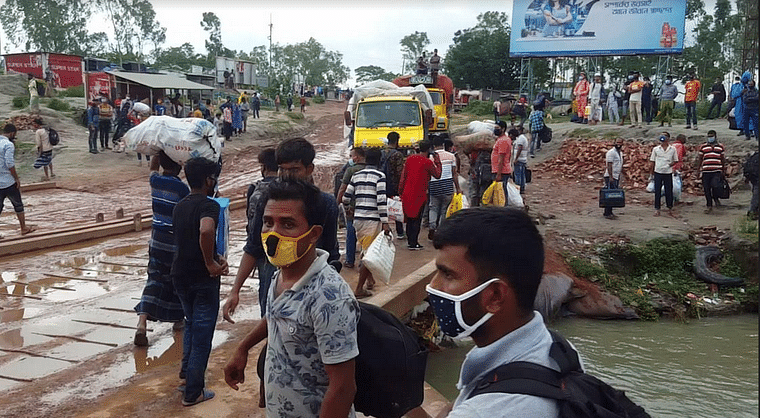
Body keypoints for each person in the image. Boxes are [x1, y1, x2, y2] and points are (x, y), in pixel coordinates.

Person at [223, 178, 360, 418]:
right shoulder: (280, 275)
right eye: (268, 222)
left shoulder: (330, 298)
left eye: (287, 224)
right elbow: (276, 316)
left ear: (313, 234)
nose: (273, 234)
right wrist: (243, 347)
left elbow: (342, 388)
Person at [426, 206, 565, 417]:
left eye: (448, 275)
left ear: (495, 296)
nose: (433, 286)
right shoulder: (559, 351)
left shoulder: (483, 412)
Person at [222, 137, 342, 323]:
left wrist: (332, 291)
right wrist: (235, 290)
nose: (286, 176)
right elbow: (253, 247)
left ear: (309, 169)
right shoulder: (268, 201)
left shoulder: (325, 204)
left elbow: (331, 251)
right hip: (271, 278)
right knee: (272, 327)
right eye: (282, 170)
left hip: (311, 286)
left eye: (294, 170)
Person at [171, 157, 227, 406]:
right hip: (201, 278)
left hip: (179, 274)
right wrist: (210, 263)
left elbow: (188, 239)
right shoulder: (209, 206)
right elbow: (205, 231)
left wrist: (215, 256)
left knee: (192, 325)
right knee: (203, 334)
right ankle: (193, 392)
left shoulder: (179, 205)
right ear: (208, 180)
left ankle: (185, 376)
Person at [133, 151, 190, 347]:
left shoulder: (155, 181)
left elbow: (152, 168)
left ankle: (141, 324)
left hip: (156, 240)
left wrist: (157, 151)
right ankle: (178, 320)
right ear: (179, 166)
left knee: (154, 279)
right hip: (174, 242)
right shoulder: (183, 189)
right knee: (177, 280)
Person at [342, 148, 391, 297]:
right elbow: (381, 201)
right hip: (372, 220)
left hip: (358, 219)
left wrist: (349, 210)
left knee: (366, 249)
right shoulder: (380, 176)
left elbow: (345, 198)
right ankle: (358, 289)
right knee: (368, 255)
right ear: (379, 161)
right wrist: (385, 222)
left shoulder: (356, 175)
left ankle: (370, 281)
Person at [399, 140, 442, 250]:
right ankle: (414, 243)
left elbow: (403, 177)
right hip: (420, 194)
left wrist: (400, 192)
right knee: (417, 219)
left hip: (407, 193)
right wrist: (437, 162)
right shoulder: (427, 162)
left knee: (409, 218)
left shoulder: (410, 159)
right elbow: (437, 175)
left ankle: (410, 242)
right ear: (429, 149)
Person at [0, 124, 35, 237]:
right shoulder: (8, 145)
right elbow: (10, 164)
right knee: (18, 205)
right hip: (8, 182)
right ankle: (23, 228)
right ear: (12, 133)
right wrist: (16, 178)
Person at [337, 147, 367, 269]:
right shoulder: (372, 170)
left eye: (351, 156)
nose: (351, 158)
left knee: (351, 232)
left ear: (357, 157)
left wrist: (337, 202)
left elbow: (342, 188)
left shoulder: (350, 171)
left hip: (352, 207)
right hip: (368, 207)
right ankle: (364, 262)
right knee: (366, 235)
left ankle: (349, 260)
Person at [428, 136, 461, 240]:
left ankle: (432, 226)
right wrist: (458, 188)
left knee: (433, 208)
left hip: (434, 185)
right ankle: (441, 230)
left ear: (433, 146)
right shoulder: (451, 156)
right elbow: (454, 173)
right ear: (443, 145)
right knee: (444, 210)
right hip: (447, 186)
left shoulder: (431, 157)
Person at [381, 131, 406, 239]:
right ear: (397, 141)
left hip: (381, 184)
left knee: (381, 207)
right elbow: (400, 172)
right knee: (396, 208)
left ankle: (383, 230)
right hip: (394, 186)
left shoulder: (381, 153)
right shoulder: (397, 154)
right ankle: (400, 232)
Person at [696, 130, 727, 214]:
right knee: (706, 188)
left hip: (717, 170)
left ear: (715, 136)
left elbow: (722, 159)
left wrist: (723, 170)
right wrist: (698, 170)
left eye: (711, 136)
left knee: (715, 185)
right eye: (709, 136)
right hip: (706, 170)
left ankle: (716, 198)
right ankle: (709, 205)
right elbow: (700, 159)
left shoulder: (720, 147)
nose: (710, 138)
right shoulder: (703, 147)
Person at [649, 132, 679, 217]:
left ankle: (669, 207)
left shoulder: (672, 149)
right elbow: (652, 161)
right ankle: (657, 208)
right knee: (657, 191)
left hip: (668, 172)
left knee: (669, 191)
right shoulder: (656, 149)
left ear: (668, 139)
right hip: (658, 172)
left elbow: (676, 160)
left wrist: (670, 164)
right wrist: (651, 174)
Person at [491, 122, 514, 205]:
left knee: (501, 193)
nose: (495, 130)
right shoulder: (502, 139)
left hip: (501, 171)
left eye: (497, 128)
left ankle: (504, 208)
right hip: (501, 170)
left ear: (503, 129)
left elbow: (501, 158)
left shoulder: (503, 141)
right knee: (500, 192)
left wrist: (498, 174)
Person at [603, 138, 624, 220]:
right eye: (617, 142)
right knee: (609, 194)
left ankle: (610, 212)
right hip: (610, 176)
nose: (619, 144)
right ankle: (607, 212)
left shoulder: (620, 153)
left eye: (620, 143)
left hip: (616, 176)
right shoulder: (611, 153)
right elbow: (609, 165)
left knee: (612, 195)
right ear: (614, 143)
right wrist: (611, 177)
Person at [512, 127, 530, 194]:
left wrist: (516, 158)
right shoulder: (523, 138)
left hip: (519, 159)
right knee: (522, 174)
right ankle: (522, 187)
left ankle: (518, 188)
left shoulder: (520, 139)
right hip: (523, 158)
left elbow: (519, 148)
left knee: (518, 175)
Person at [744, 152, 759, 219]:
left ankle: (754, 212)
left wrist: (747, 178)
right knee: (756, 195)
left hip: (753, 178)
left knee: (756, 194)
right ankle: (752, 212)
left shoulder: (754, 156)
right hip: (756, 178)